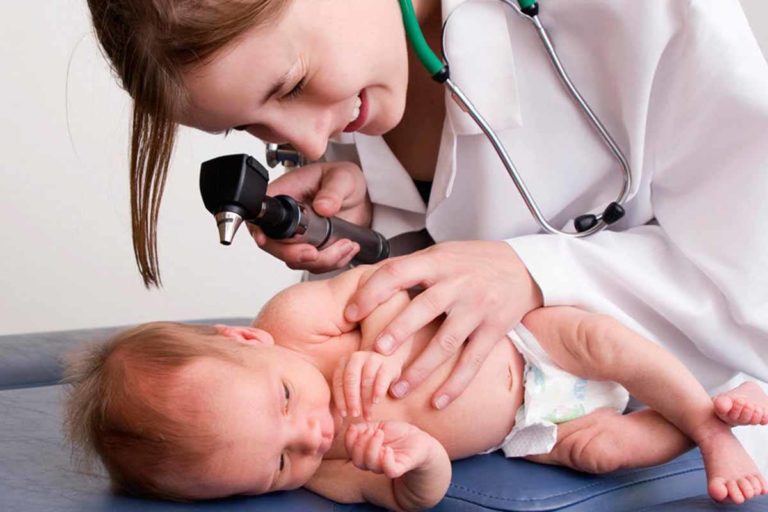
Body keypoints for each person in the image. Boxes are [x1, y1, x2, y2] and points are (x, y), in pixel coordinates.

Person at [86, 0, 768, 466]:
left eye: (289, 86)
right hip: (557, 438)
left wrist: (528, 273)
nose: (307, 141)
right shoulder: (353, 84)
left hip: (724, 423)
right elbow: (414, 332)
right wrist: (374, 226)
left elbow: (751, 276)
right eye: (254, 126)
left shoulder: (640, 12)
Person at [65, 265, 768, 508]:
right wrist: (418, 460)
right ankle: (711, 413)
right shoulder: (331, 471)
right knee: (602, 452)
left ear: (248, 341)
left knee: (599, 343)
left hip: (528, 342)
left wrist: (380, 341)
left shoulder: (295, 321)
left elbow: (396, 282)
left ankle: (712, 433)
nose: (311, 434)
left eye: (284, 399)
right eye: (279, 464)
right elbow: (409, 499)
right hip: (532, 430)